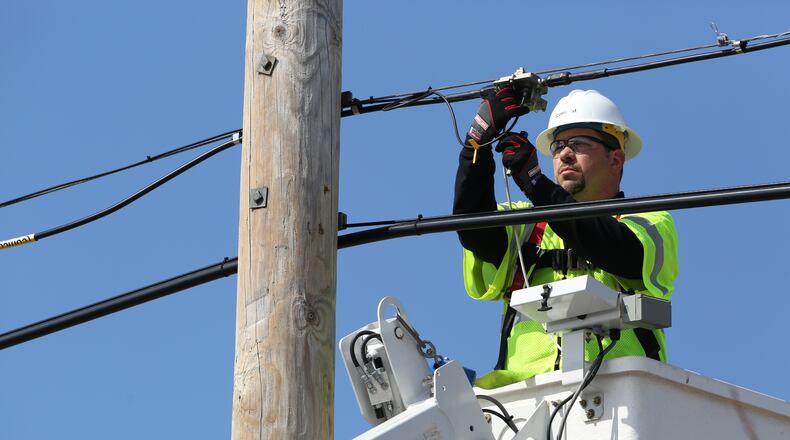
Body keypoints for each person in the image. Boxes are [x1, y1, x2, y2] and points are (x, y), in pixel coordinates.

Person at [454, 88, 679, 389]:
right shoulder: (528, 225)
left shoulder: (648, 221)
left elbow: (618, 250)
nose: (564, 154)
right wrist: (476, 146)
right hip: (524, 401)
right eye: (558, 146)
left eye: (578, 143)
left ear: (616, 158)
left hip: (621, 394)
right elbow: (475, 229)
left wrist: (537, 185)